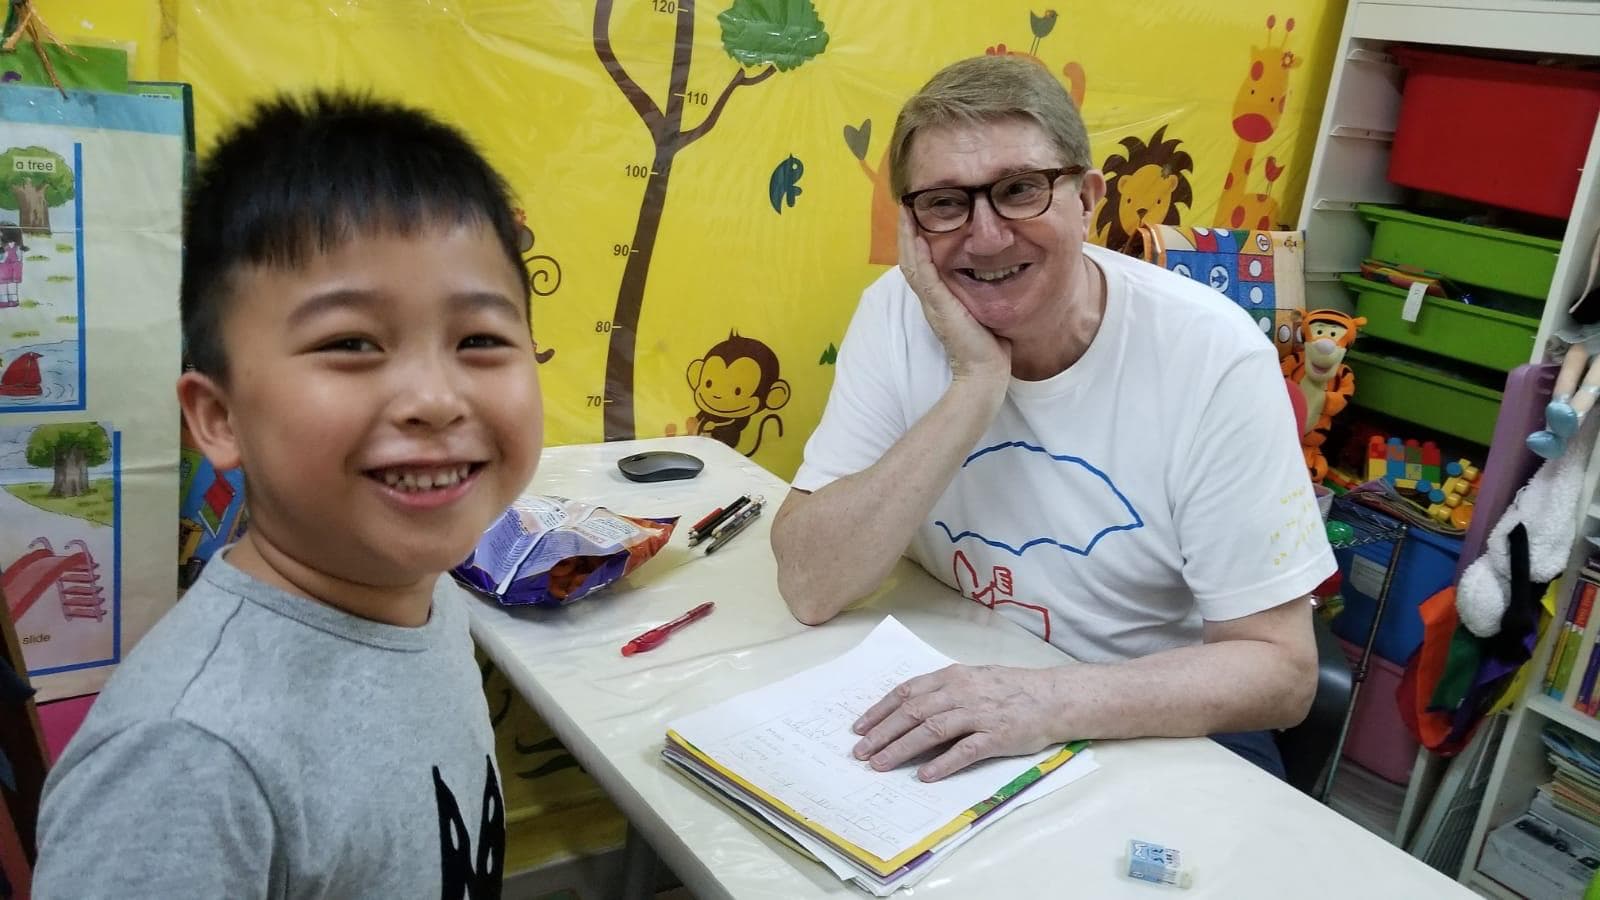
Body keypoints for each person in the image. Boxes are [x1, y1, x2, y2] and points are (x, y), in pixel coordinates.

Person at [32, 92, 544, 897]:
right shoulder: (186, 762)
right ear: (219, 417)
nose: (436, 400)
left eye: (480, 338)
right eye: (351, 343)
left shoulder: (419, 593)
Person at [771, 55, 1334, 783]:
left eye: (1019, 190)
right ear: (911, 226)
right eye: (944, 203)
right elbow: (810, 584)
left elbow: (1282, 674)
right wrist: (976, 382)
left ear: (1087, 198)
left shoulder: (1213, 356)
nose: (986, 237)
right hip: (963, 684)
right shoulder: (895, 314)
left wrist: (1043, 700)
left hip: (1147, 722)